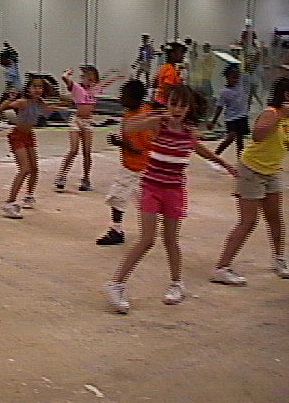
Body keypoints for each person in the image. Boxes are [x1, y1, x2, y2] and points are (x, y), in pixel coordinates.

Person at [104, 85, 237, 314]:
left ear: (188, 108)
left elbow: (201, 150)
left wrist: (225, 164)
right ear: (167, 104)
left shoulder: (188, 133)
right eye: (173, 104)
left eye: (182, 106)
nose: (177, 109)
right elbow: (128, 128)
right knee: (147, 239)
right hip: (151, 188)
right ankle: (115, 285)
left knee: (170, 240)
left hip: (174, 191)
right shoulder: (158, 124)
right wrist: (154, 118)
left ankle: (177, 283)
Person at [211, 77, 289, 285]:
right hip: (252, 170)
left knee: (275, 218)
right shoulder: (272, 113)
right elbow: (258, 136)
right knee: (249, 221)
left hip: (271, 170)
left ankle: (279, 259)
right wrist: (281, 116)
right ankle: (222, 267)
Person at [96, 79, 151, 245]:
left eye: (124, 96)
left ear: (135, 98)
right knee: (121, 197)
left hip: (138, 168)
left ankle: (119, 231)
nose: (121, 98)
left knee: (121, 197)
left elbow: (140, 148)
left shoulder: (141, 118)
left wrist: (119, 143)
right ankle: (117, 230)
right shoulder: (134, 111)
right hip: (132, 165)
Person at [0, 74, 54, 219]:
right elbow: (2, 108)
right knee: (25, 169)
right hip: (17, 136)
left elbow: (48, 111)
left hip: (29, 135)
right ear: (28, 89)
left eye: (40, 87)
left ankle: (29, 196)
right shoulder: (23, 102)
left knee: (34, 168)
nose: (37, 89)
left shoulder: (39, 103)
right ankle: (9, 203)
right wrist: (10, 98)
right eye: (34, 87)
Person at [55, 65, 101, 192]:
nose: (90, 82)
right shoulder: (76, 87)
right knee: (73, 150)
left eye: (93, 80)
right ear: (82, 77)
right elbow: (64, 78)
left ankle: (86, 179)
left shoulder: (95, 89)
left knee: (87, 152)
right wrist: (67, 73)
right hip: (76, 120)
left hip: (88, 122)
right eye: (88, 78)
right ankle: (61, 176)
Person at [206, 64, 249, 158]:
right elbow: (220, 107)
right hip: (231, 118)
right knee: (231, 137)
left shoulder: (240, 85)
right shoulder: (224, 92)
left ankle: (240, 159)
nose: (235, 80)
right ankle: (215, 155)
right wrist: (213, 121)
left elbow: (248, 67)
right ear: (227, 78)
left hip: (242, 116)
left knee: (240, 140)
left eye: (237, 78)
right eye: (233, 78)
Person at [0, 42, 22, 131]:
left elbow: (9, 83)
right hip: (19, 89)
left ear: (6, 59)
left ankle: (3, 122)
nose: (0, 62)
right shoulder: (14, 63)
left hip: (13, 90)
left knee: (0, 106)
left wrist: (6, 93)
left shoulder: (9, 69)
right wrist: (9, 47)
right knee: (17, 109)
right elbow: (15, 54)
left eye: (1, 59)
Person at [152, 41, 186, 108]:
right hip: (164, 105)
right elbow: (167, 90)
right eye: (181, 52)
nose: (183, 55)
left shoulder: (162, 67)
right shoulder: (170, 69)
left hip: (157, 102)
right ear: (172, 54)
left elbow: (154, 84)